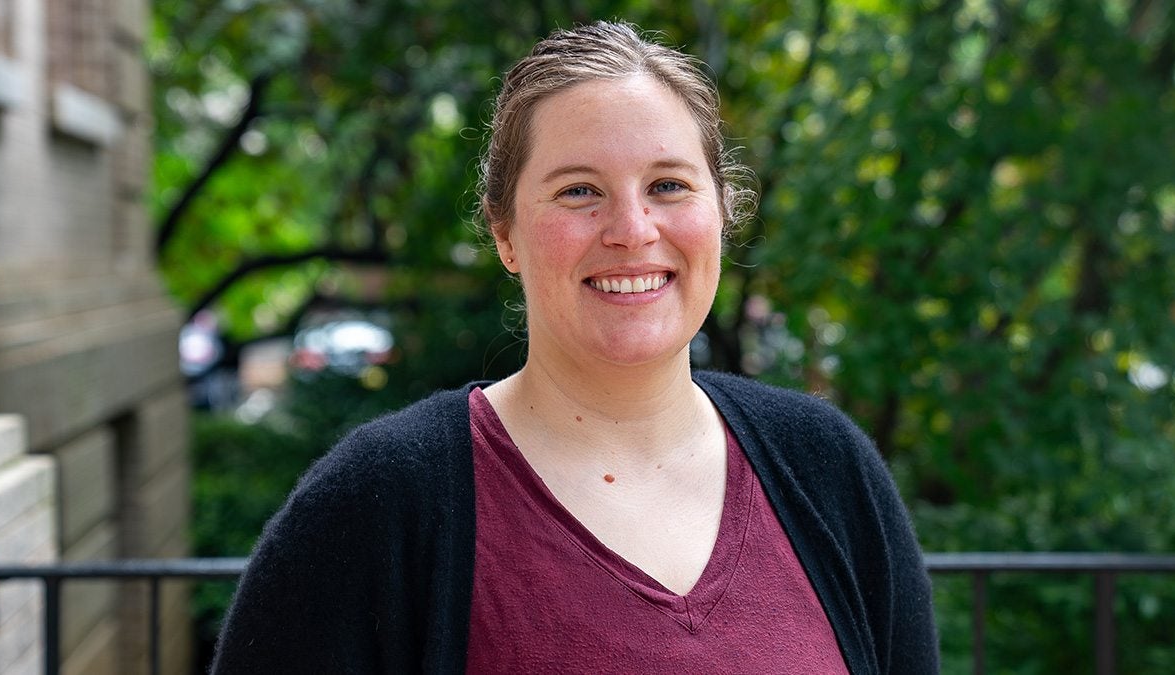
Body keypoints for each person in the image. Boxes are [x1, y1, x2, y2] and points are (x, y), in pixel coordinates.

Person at [211, 21, 938, 674]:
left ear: (722, 211)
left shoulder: (827, 469)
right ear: (504, 233)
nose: (632, 227)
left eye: (667, 184)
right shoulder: (381, 501)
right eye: (579, 191)